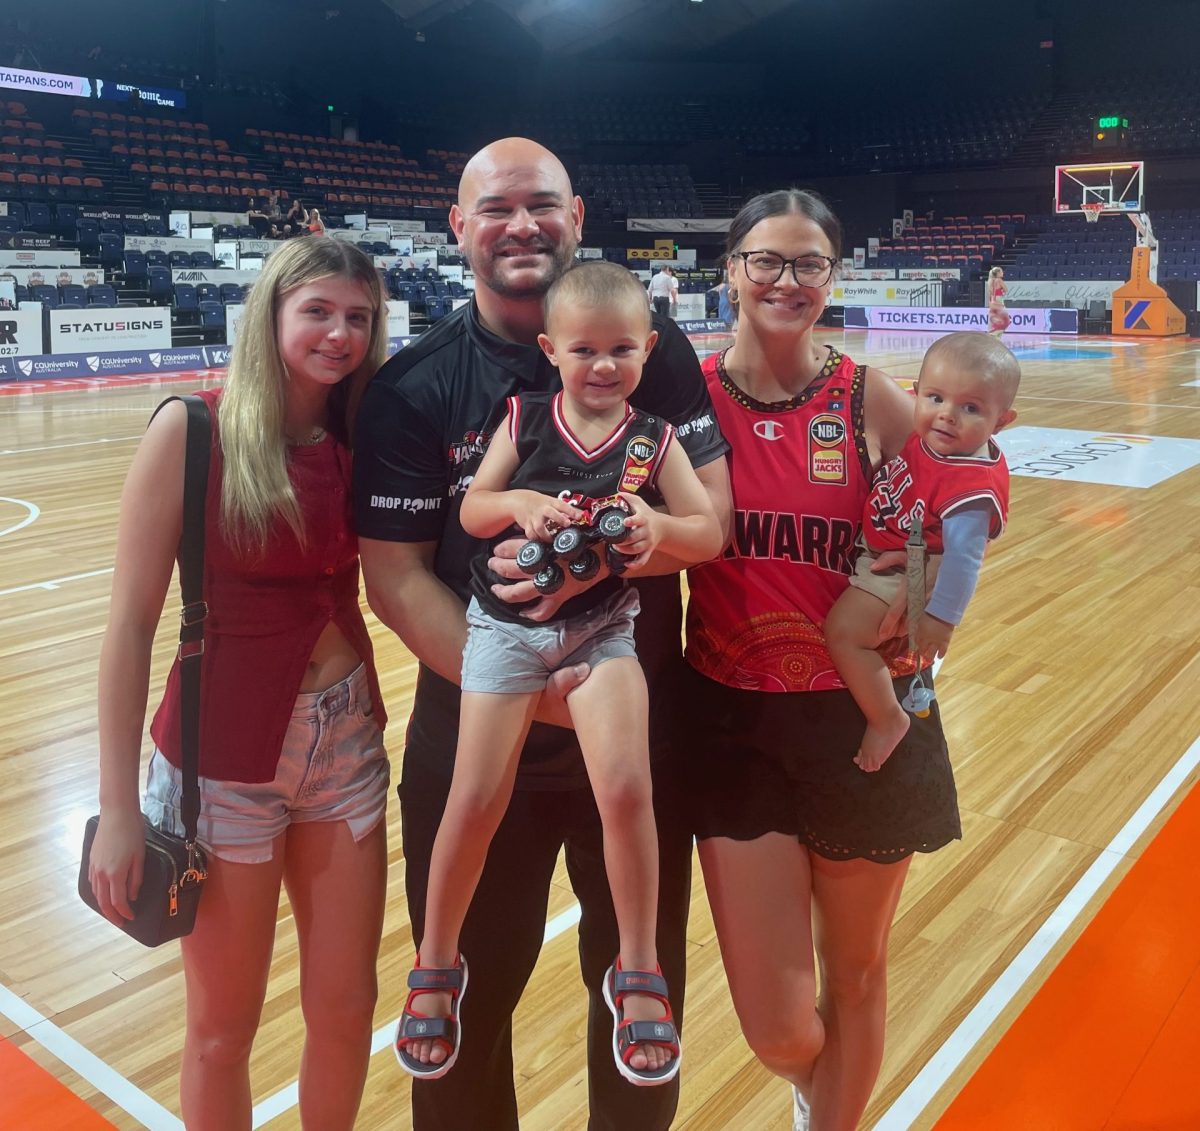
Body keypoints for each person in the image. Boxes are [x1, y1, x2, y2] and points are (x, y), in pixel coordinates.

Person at [353, 137, 730, 1131]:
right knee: (462, 1040)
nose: (522, 225)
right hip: (485, 717)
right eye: (497, 207)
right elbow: (395, 580)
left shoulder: (655, 350)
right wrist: (532, 690)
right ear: (459, 227)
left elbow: (710, 523)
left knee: (641, 1031)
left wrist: (628, 548)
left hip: (628, 722)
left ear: (577, 217)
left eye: (543, 205)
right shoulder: (415, 386)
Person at [87, 238, 391, 1131]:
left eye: (359, 317)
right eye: (318, 311)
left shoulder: (364, 433)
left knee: (348, 1009)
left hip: (346, 745)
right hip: (222, 762)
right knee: (223, 1029)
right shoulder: (193, 431)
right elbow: (128, 627)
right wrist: (118, 808)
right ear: (271, 314)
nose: (340, 334)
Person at [682, 189, 964, 1131]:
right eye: (766, 259)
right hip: (734, 717)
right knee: (776, 1026)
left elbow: (936, 522)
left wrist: (922, 595)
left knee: (856, 973)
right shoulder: (686, 400)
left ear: (832, 277)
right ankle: (821, 1086)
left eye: (809, 263)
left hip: (864, 717)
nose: (787, 280)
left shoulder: (871, 397)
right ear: (731, 269)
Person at [825, 332, 1017, 772]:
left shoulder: (971, 488)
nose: (947, 414)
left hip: (906, 568)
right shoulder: (932, 438)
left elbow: (964, 560)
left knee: (845, 633)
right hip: (889, 545)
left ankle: (887, 719)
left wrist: (940, 618)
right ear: (915, 393)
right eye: (936, 398)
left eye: (971, 408)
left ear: (1001, 421)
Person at [985, 265, 1010, 336]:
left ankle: (993, 335)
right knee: (1005, 320)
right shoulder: (999, 280)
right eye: (1001, 271)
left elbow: (989, 293)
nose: (1003, 273)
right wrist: (1002, 292)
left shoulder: (990, 281)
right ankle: (996, 335)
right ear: (998, 273)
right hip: (998, 299)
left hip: (992, 299)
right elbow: (1006, 289)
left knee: (995, 318)